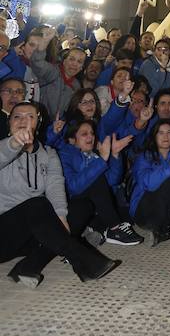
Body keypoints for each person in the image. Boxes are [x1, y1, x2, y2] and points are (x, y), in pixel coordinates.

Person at [1, 102, 121, 287]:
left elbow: (55, 188)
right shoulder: (4, 147)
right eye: (17, 116)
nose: (24, 120)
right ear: (9, 122)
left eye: (30, 116)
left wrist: (63, 220)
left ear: (38, 123)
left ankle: (28, 266)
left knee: (81, 207)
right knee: (37, 203)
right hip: (4, 232)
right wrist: (14, 143)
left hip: (30, 235)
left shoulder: (48, 154)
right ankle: (81, 259)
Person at [58, 119, 143, 245]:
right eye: (84, 134)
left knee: (128, 215)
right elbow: (73, 187)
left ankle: (93, 234)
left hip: (93, 207)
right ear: (72, 139)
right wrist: (101, 161)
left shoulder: (96, 154)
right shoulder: (65, 154)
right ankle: (114, 228)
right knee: (95, 180)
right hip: (72, 207)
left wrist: (114, 155)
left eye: (92, 133)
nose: (90, 137)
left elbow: (112, 180)